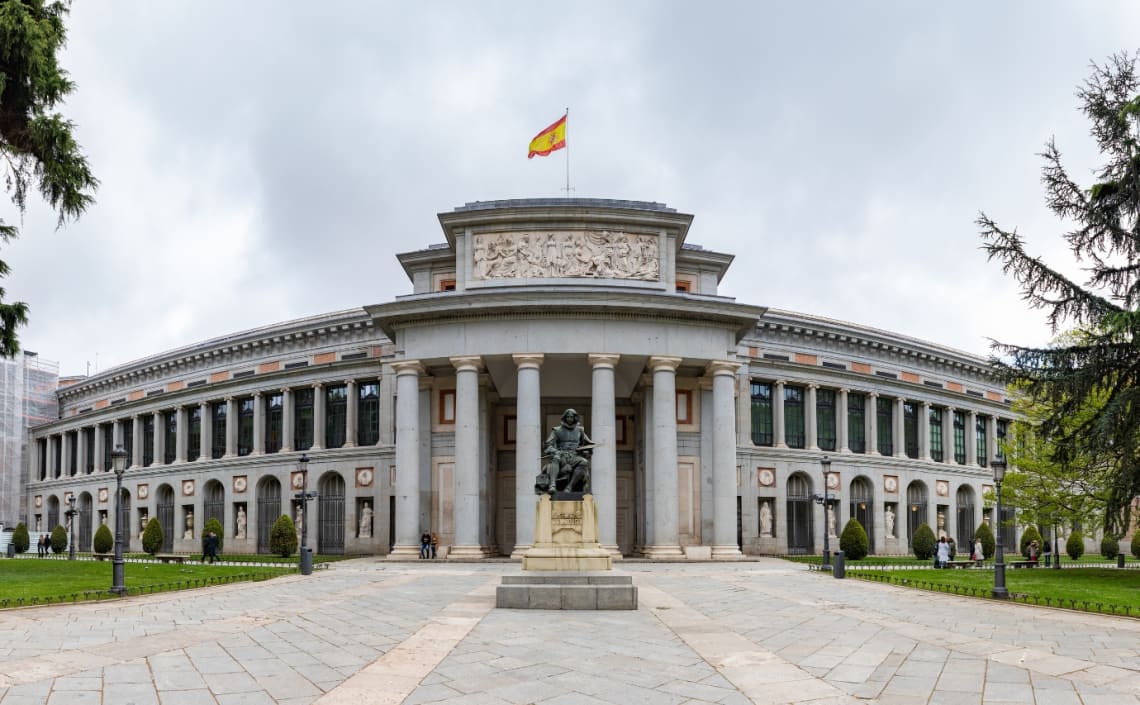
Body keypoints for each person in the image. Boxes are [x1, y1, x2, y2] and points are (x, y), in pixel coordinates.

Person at [536, 408, 593, 494]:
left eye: (571, 417)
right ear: (565, 418)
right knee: (556, 458)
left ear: (575, 418)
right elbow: (548, 445)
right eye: (568, 417)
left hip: (574, 456)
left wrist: (587, 451)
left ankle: (569, 487)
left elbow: (588, 444)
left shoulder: (580, 430)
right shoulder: (557, 430)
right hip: (561, 455)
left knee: (584, 462)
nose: (569, 419)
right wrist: (555, 451)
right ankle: (552, 485)